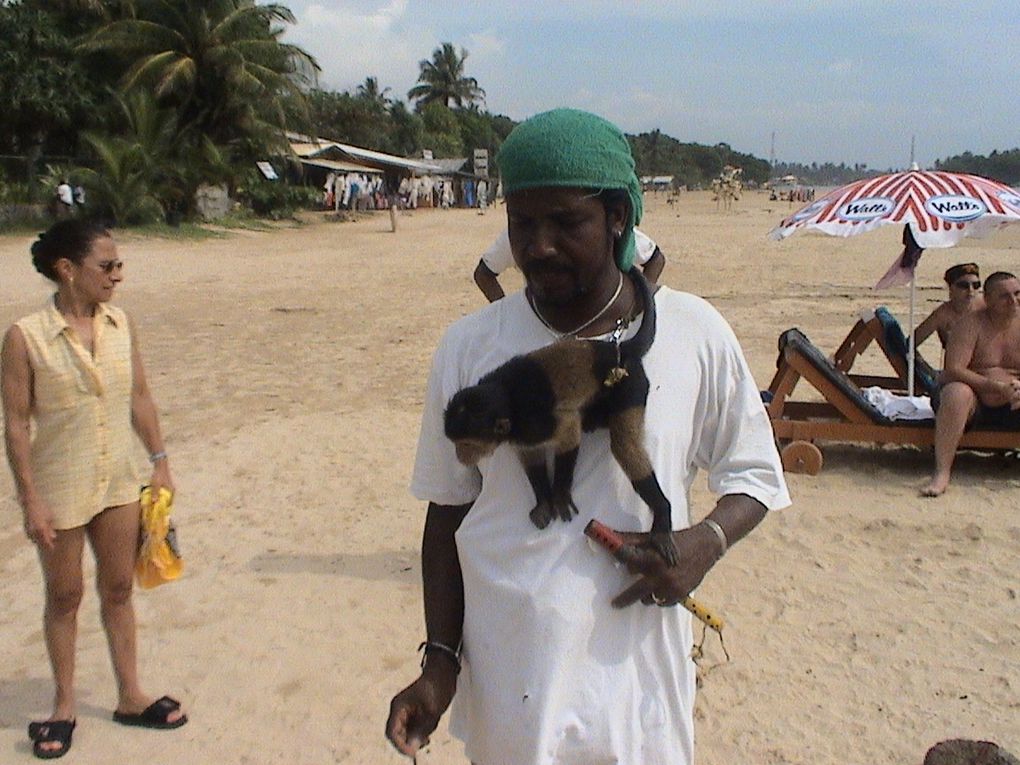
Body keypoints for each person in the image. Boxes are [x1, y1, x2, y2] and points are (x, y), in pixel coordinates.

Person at [385, 108, 790, 765]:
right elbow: (447, 512)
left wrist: (703, 543)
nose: (538, 245)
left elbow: (755, 475)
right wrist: (439, 661)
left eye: (566, 222)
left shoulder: (695, 332)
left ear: (619, 218)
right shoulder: (469, 346)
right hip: (514, 682)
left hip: (639, 685)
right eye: (522, 222)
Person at [1, 220, 188, 759]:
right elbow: (16, 424)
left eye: (118, 264)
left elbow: (141, 397)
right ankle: (64, 706)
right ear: (67, 270)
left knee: (119, 590)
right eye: (107, 266)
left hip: (119, 481)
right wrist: (29, 499)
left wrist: (160, 462)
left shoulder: (120, 323)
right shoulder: (25, 337)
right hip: (59, 485)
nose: (117, 276)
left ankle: (130, 694)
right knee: (64, 597)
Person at [921, 271, 1020, 497]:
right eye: (1005, 296)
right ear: (987, 299)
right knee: (956, 393)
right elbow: (954, 369)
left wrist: (1014, 389)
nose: (1013, 301)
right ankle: (942, 472)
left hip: (1013, 399)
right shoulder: (971, 324)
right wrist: (996, 387)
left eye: (1017, 293)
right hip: (974, 403)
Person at [473, 225, 667, 303]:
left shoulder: (601, 228)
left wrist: (638, 302)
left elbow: (655, 259)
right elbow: (484, 274)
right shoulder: (521, 234)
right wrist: (507, 314)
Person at [913, 263, 985, 352]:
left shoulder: (988, 307)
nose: (971, 290)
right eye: (963, 285)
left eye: (976, 285)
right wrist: (921, 365)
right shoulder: (942, 315)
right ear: (951, 288)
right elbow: (910, 345)